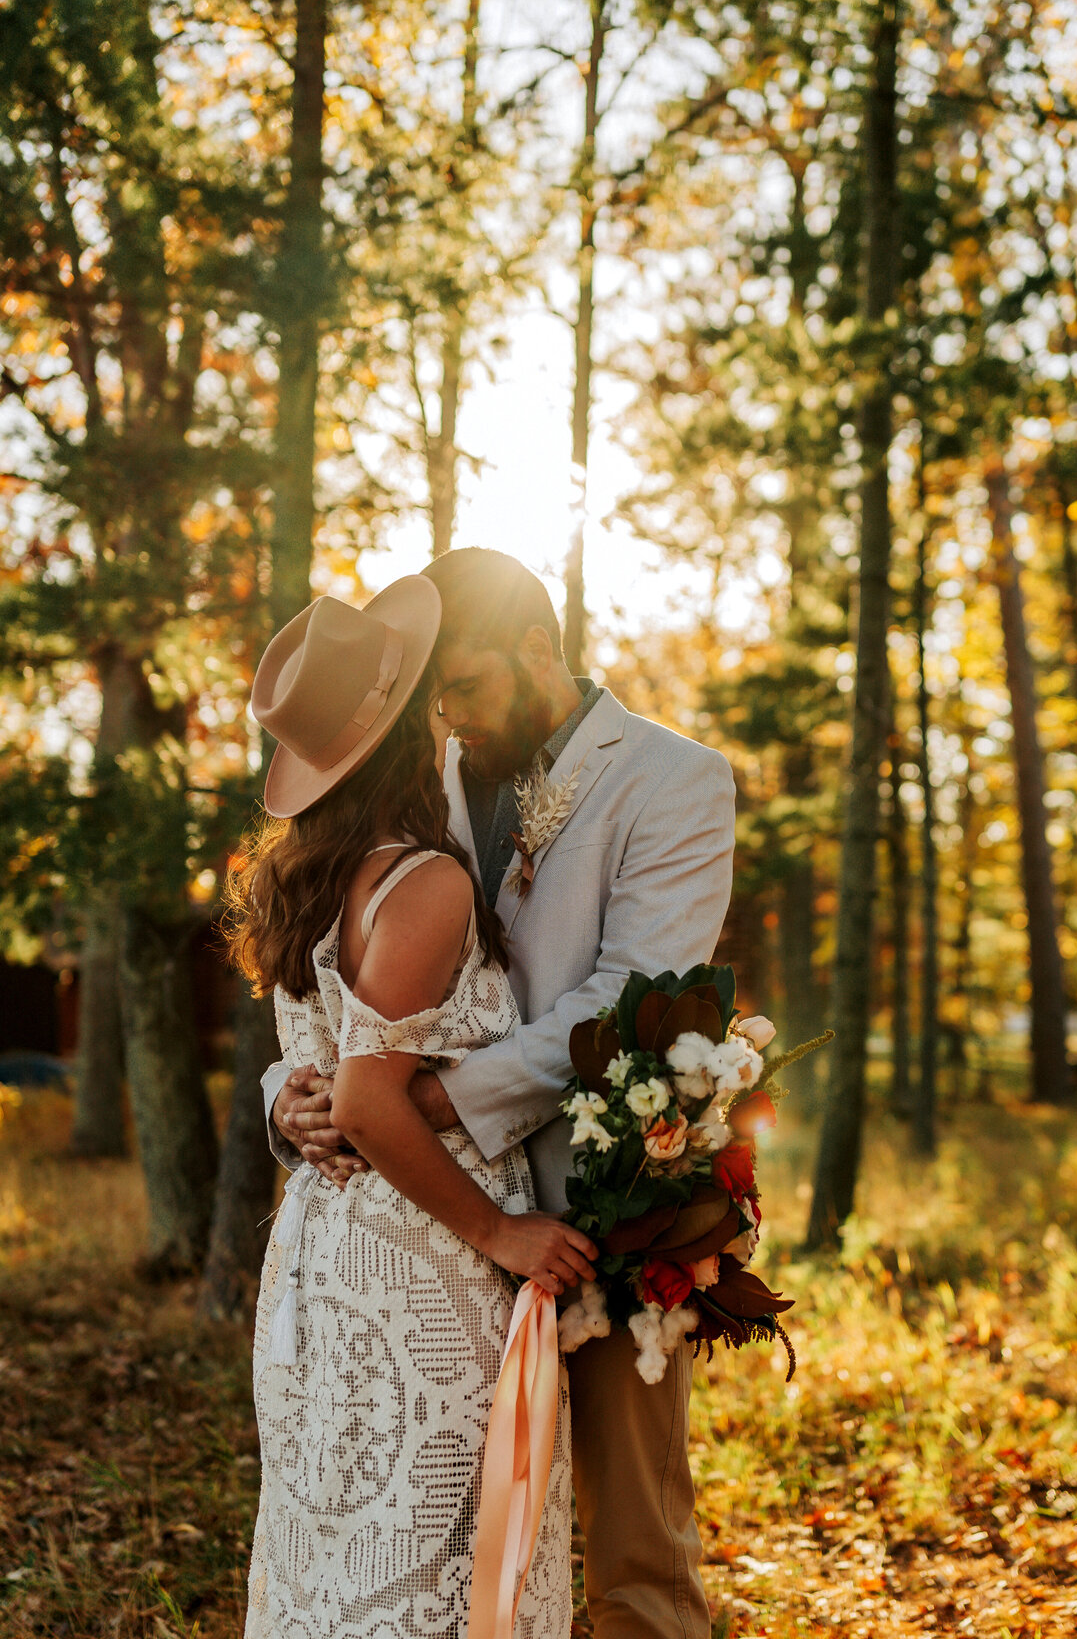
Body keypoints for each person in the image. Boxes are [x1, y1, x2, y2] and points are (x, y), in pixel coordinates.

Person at [268, 549, 737, 1639]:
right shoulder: (417, 780)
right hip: (433, 1243)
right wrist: (292, 1099)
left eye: (465, 687)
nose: (450, 718)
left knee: (635, 1552)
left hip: (603, 1203)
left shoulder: (675, 778)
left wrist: (433, 1103)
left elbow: (636, 993)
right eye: (434, 698)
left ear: (538, 650)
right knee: (453, 1544)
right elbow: (349, 986)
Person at [230, 575, 596, 1639]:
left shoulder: (305, 882)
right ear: (408, 735)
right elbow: (368, 1099)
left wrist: (288, 1109)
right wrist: (503, 1230)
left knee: (345, 1553)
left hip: (315, 1257)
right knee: (439, 1554)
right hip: (418, 1269)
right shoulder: (423, 885)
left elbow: (316, 1075)